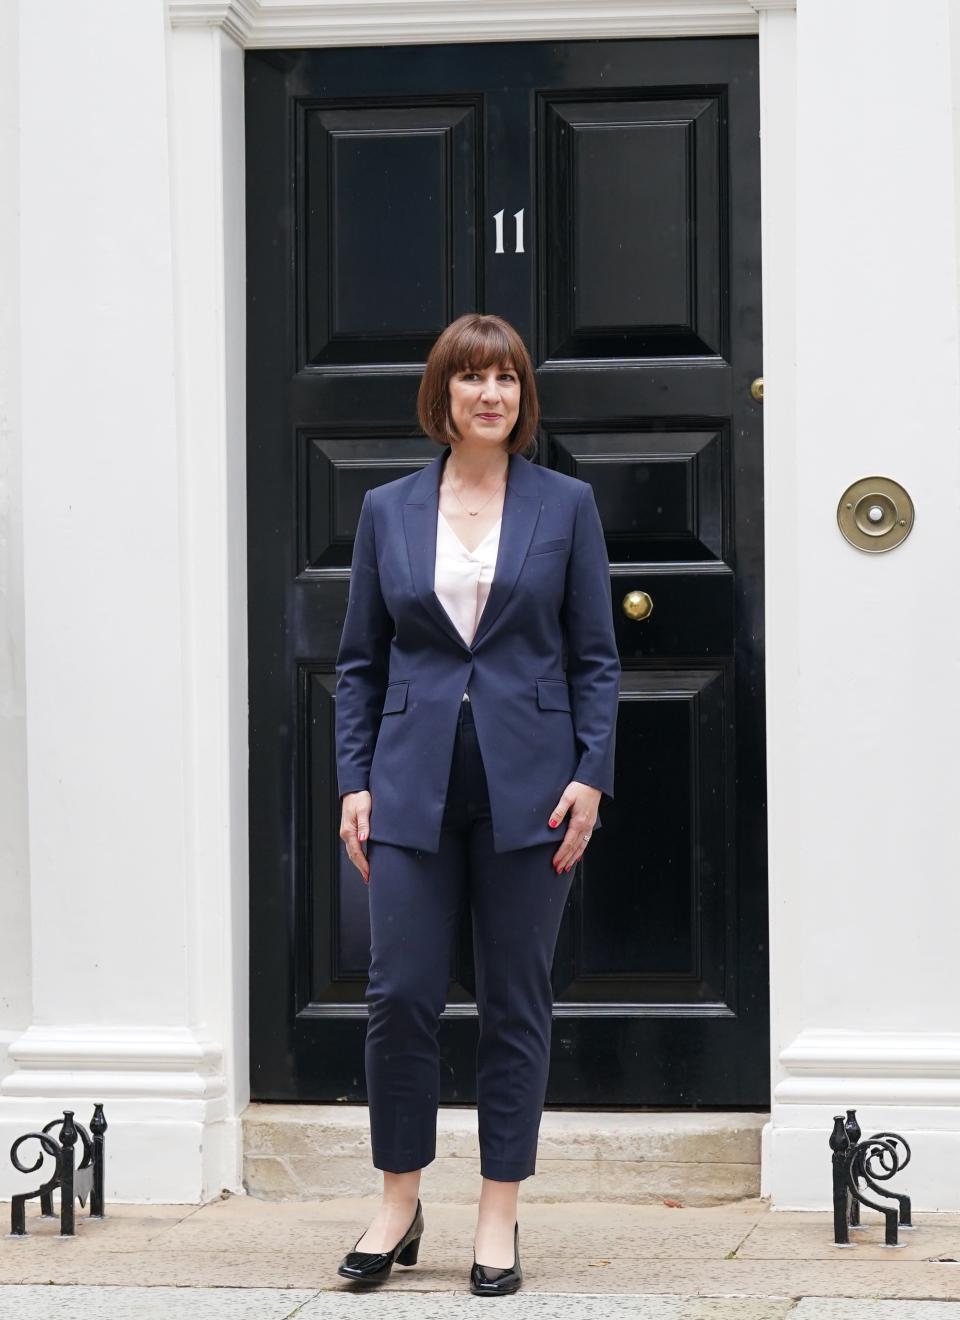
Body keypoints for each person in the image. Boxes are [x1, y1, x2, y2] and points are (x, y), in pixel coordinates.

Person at [334, 312, 620, 1295]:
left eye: (505, 379)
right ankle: (397, 1202)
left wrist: (591, 773)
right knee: (400, 995)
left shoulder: (566, 505)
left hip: (532, 788)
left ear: (521, 397)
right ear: (443, 395)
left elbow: (593, 655)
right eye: (471, 378)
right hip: (410, 784)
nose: (489, 394)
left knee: (514, 1001)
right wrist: (355, 780)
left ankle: (498, 1215)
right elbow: (360, 662)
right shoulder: (387, 510)